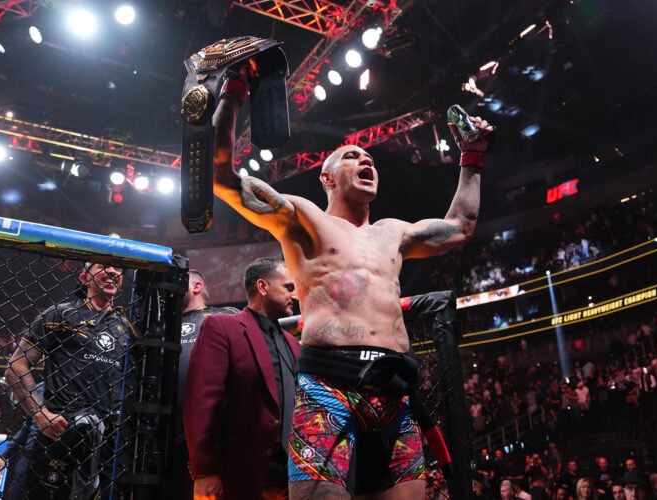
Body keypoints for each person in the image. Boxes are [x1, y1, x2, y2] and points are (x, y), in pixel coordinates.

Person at [210, 63, 492, 499]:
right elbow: (224, 180)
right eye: (352, 157)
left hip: (396, 392)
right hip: (329, 386)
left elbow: (460, 227)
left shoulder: (394, 231)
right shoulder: (303, 218)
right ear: (326, 177)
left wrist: (472, 157)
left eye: (370, 159)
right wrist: (231, 95)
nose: (366, 161)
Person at [4, 262, 132, 499]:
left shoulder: (126, 326)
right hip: (60, 430)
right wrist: (41, 415)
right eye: (103, 267)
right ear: (84, 277)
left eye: (118, 269)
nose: (113, 271)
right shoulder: (60, 314)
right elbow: (16, 366)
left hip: (107, 440)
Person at [183, 257, 300, 500]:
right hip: (238, 475)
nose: (295, 295)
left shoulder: (291, 342)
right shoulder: (222, 326)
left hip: (289, 478)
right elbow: (201, 402)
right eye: (288, 287)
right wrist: (205, 472)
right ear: (263, 287)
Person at [171, 269, 237, 496]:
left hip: (216, 433)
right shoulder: (162, 326)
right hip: (169, 436)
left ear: (196, 287)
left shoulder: (226, 316)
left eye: (177, 284)